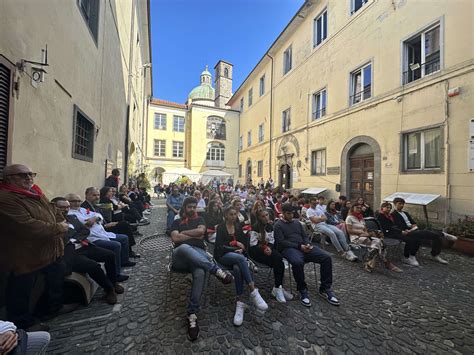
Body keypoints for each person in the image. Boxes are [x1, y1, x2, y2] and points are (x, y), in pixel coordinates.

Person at [0, 164, 76, 331]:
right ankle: (22, 324)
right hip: (25, 255)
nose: (28, 178)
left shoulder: (34, 192)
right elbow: (28, 226)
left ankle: (53, 309)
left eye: (30, 174)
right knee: (21, 290)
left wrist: (59, 221)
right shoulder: (6, 198)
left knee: (54, 279)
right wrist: (59, 228)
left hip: (49, 250)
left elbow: (53, 209)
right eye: (22, 175)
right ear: (9, 179)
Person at [170, 197, 233, 341]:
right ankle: (215, 269)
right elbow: (175, 239)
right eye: (190, 207)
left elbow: (201, 232)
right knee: (185, 247)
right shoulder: (176, 221)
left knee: (199, 272)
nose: (192, 209)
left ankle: (192, 314)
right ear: (184, 207)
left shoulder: (200, 220)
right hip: (180, 258)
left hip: (198, 258)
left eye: (194, 207)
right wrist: (192, 234)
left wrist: (184, 233)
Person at [52, 197, 124, 305]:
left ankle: (113, 283)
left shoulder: (72, 217)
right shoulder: (53, 223)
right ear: (54, 207)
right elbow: (63, 238)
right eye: (62, 207)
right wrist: (73, 236)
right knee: (93, 266)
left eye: (67, 207)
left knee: (110, 255)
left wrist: (74, 237)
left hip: (83, 245)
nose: (65, 209)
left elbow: (85, 230)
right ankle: (109, 290)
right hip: (70, 253)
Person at [274, 203, 340, 308]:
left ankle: (325, 288)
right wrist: (299, 246)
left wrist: (307, 243)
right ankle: (302, 289)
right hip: (289, 249)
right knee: (297, 262)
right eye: (288, 213)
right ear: (283, 213)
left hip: (304, 247)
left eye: (292, 213)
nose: (291, 216)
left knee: (326, 258)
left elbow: (304, 236)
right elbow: (281, 242)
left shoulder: (297, 223)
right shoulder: (278, 225)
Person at [215, 206, 268, 326]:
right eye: (231, 214)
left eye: (235, 214)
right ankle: (253, 291)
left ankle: (240, 302)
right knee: (240, 259)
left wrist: (242, 246)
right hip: (223, 256)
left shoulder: (238, 226)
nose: (234, 216)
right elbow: (219, 246)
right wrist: (233, 244)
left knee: (238, 268)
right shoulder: (221, 227)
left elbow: (243, 242)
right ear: (225, 216)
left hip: (236, 256)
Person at [66, 193, 134, 282]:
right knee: (116, 245)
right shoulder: (70, 214)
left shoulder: (82, 209)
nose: (77, 203)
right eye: (74, 201)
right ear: (68, 202)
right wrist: (92, 219)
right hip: (92, 238)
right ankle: (116, 274)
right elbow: (83, 224)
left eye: (79, 201)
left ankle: (124, 261)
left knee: (124, 237)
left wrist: (94, 218)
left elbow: (98, 215)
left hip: (102, 233)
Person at [391, 197, 457, 265]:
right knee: (423, 234)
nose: (401, 205)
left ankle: (435, 254)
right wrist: (409, 227)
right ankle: (443, 234)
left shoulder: (406, 213)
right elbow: (398, 226)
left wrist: (414, 225)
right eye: (399, 204)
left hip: (414, 229)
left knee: (436, 237)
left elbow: (413, 222)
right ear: (395, 204)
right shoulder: (393, 214)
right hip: (406, 231)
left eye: (403, 204)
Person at [250, 209, 293, 303]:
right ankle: (278, 288)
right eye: (263, 216)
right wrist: (263, 248)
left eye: (267, 215)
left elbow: (271, 241)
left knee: (278, 261)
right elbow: (253, 245)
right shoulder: (255, 227)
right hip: (256, 252)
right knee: (278, 260)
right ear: (259, 218)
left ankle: (278, 287)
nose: (266, 218)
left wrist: (269, 247)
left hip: (268, 251)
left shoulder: (270, 227)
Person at [345, 204, 402, 273]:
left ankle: (369, 263)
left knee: (379, 242)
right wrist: (361, 233)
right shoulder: (349, 218)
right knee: (378, 244)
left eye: (360, 208)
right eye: (357, 208)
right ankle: (386, 263)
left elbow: (365, 229)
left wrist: (369, 233)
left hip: (365, 236)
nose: (359, 209)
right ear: (352, 208)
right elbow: (349, 230)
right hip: (356, 238)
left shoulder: (361, 218)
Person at [306, 197, 357, 262]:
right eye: (313, 203)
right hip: (317, 226)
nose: (315, 204)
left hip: (325, 224)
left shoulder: (318, 210)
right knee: (332, 234)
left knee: (340, 232)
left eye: (315, 203)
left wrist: (318, 218)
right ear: (310, 203)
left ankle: (348, 250)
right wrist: (320, 218)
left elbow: (325, 218)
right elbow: (314, 221)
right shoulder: (309, 211)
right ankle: (341, 252)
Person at [377, 202, 423, 266]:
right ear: (382, 208)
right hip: (389, 234)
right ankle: (406, 257)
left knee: (417, 238)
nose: (389, 209)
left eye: (390, 208)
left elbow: (395, 225)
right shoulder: (381, 216)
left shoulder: (389, 215)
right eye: (387, 207)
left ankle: (412, 255)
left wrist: (404, 230)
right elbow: (388, 227)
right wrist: (401, 231)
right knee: (409, 240)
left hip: (396, 231)